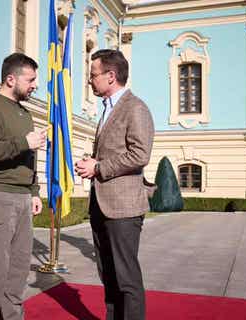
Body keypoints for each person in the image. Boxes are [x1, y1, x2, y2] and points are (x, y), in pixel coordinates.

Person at [76, 49, 155, 320]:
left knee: (126, 278)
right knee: (108, 275)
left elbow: (140, 154)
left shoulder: (136, 107)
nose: (89, 80)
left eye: (93, 74)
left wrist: (98, 167)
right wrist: (94, 161)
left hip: (123, 208)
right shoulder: (108, 109)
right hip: (101, 204)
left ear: (111, 76)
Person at [0, 53, 45, 320]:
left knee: (19, 267)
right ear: (11, 79)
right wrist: (25, 143)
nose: (35, 85)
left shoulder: (24, 114)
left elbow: (29, 157)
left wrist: (34, 192)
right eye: (31, 79)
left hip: (23, 198)